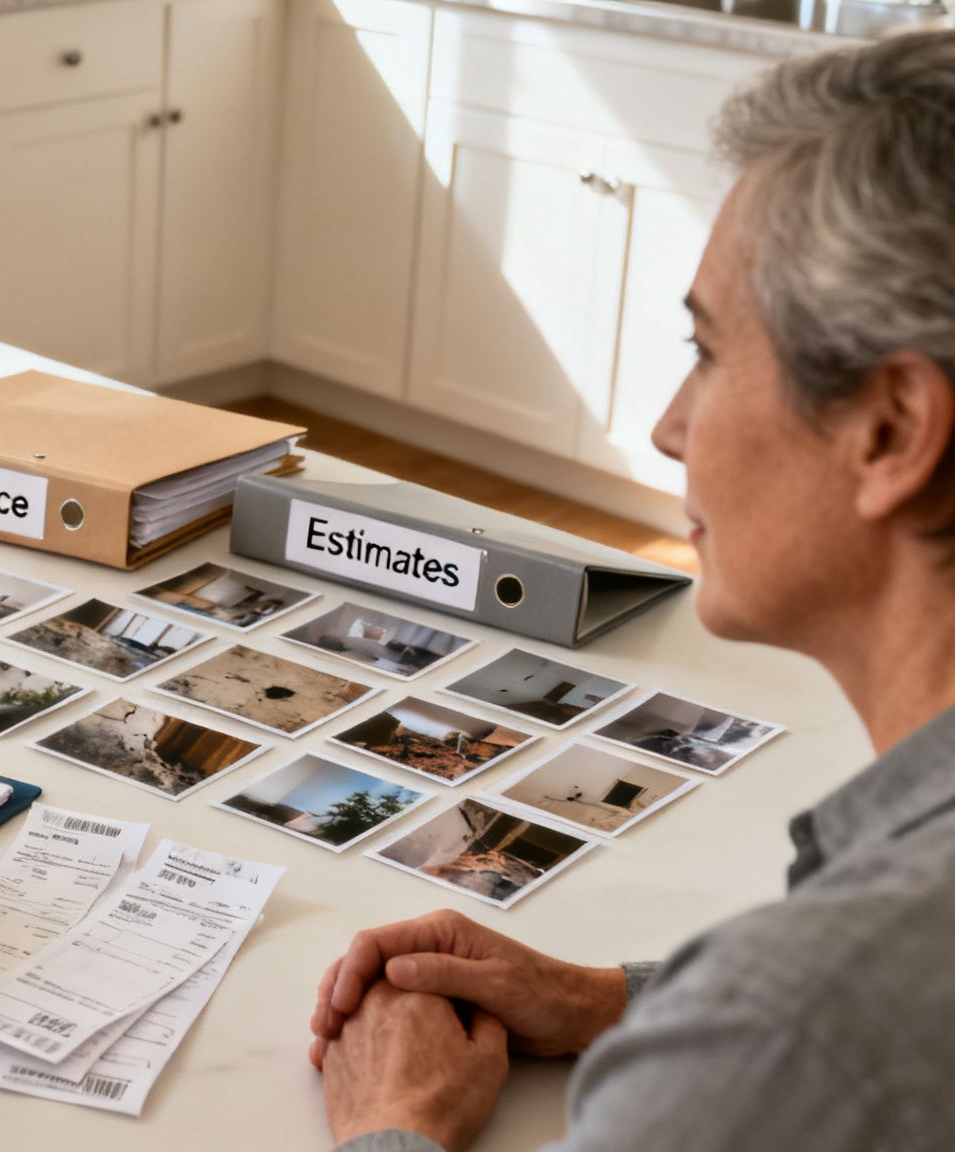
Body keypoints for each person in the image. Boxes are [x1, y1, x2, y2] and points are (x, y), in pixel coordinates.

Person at [307, 28, 955, 1152]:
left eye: (704, 352)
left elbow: (809, 1039)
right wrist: (615, 1001)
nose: (665, 429)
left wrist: (392, 1122)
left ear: (888, 429)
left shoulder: (784, 1031)